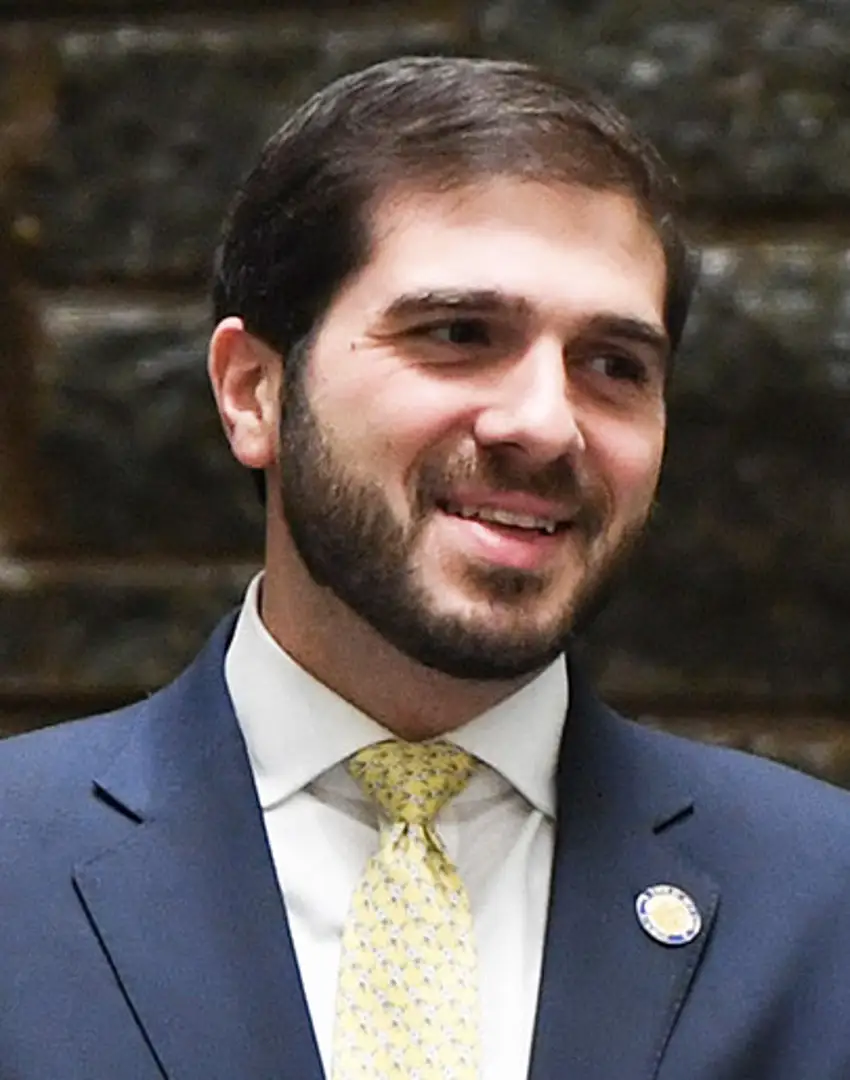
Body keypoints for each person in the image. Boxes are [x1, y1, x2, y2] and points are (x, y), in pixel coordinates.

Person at [2, 54, 850, 1080]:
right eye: (458, 334)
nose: (544, 425)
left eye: (613, 366)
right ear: (253, 393)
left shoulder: (820, 897)